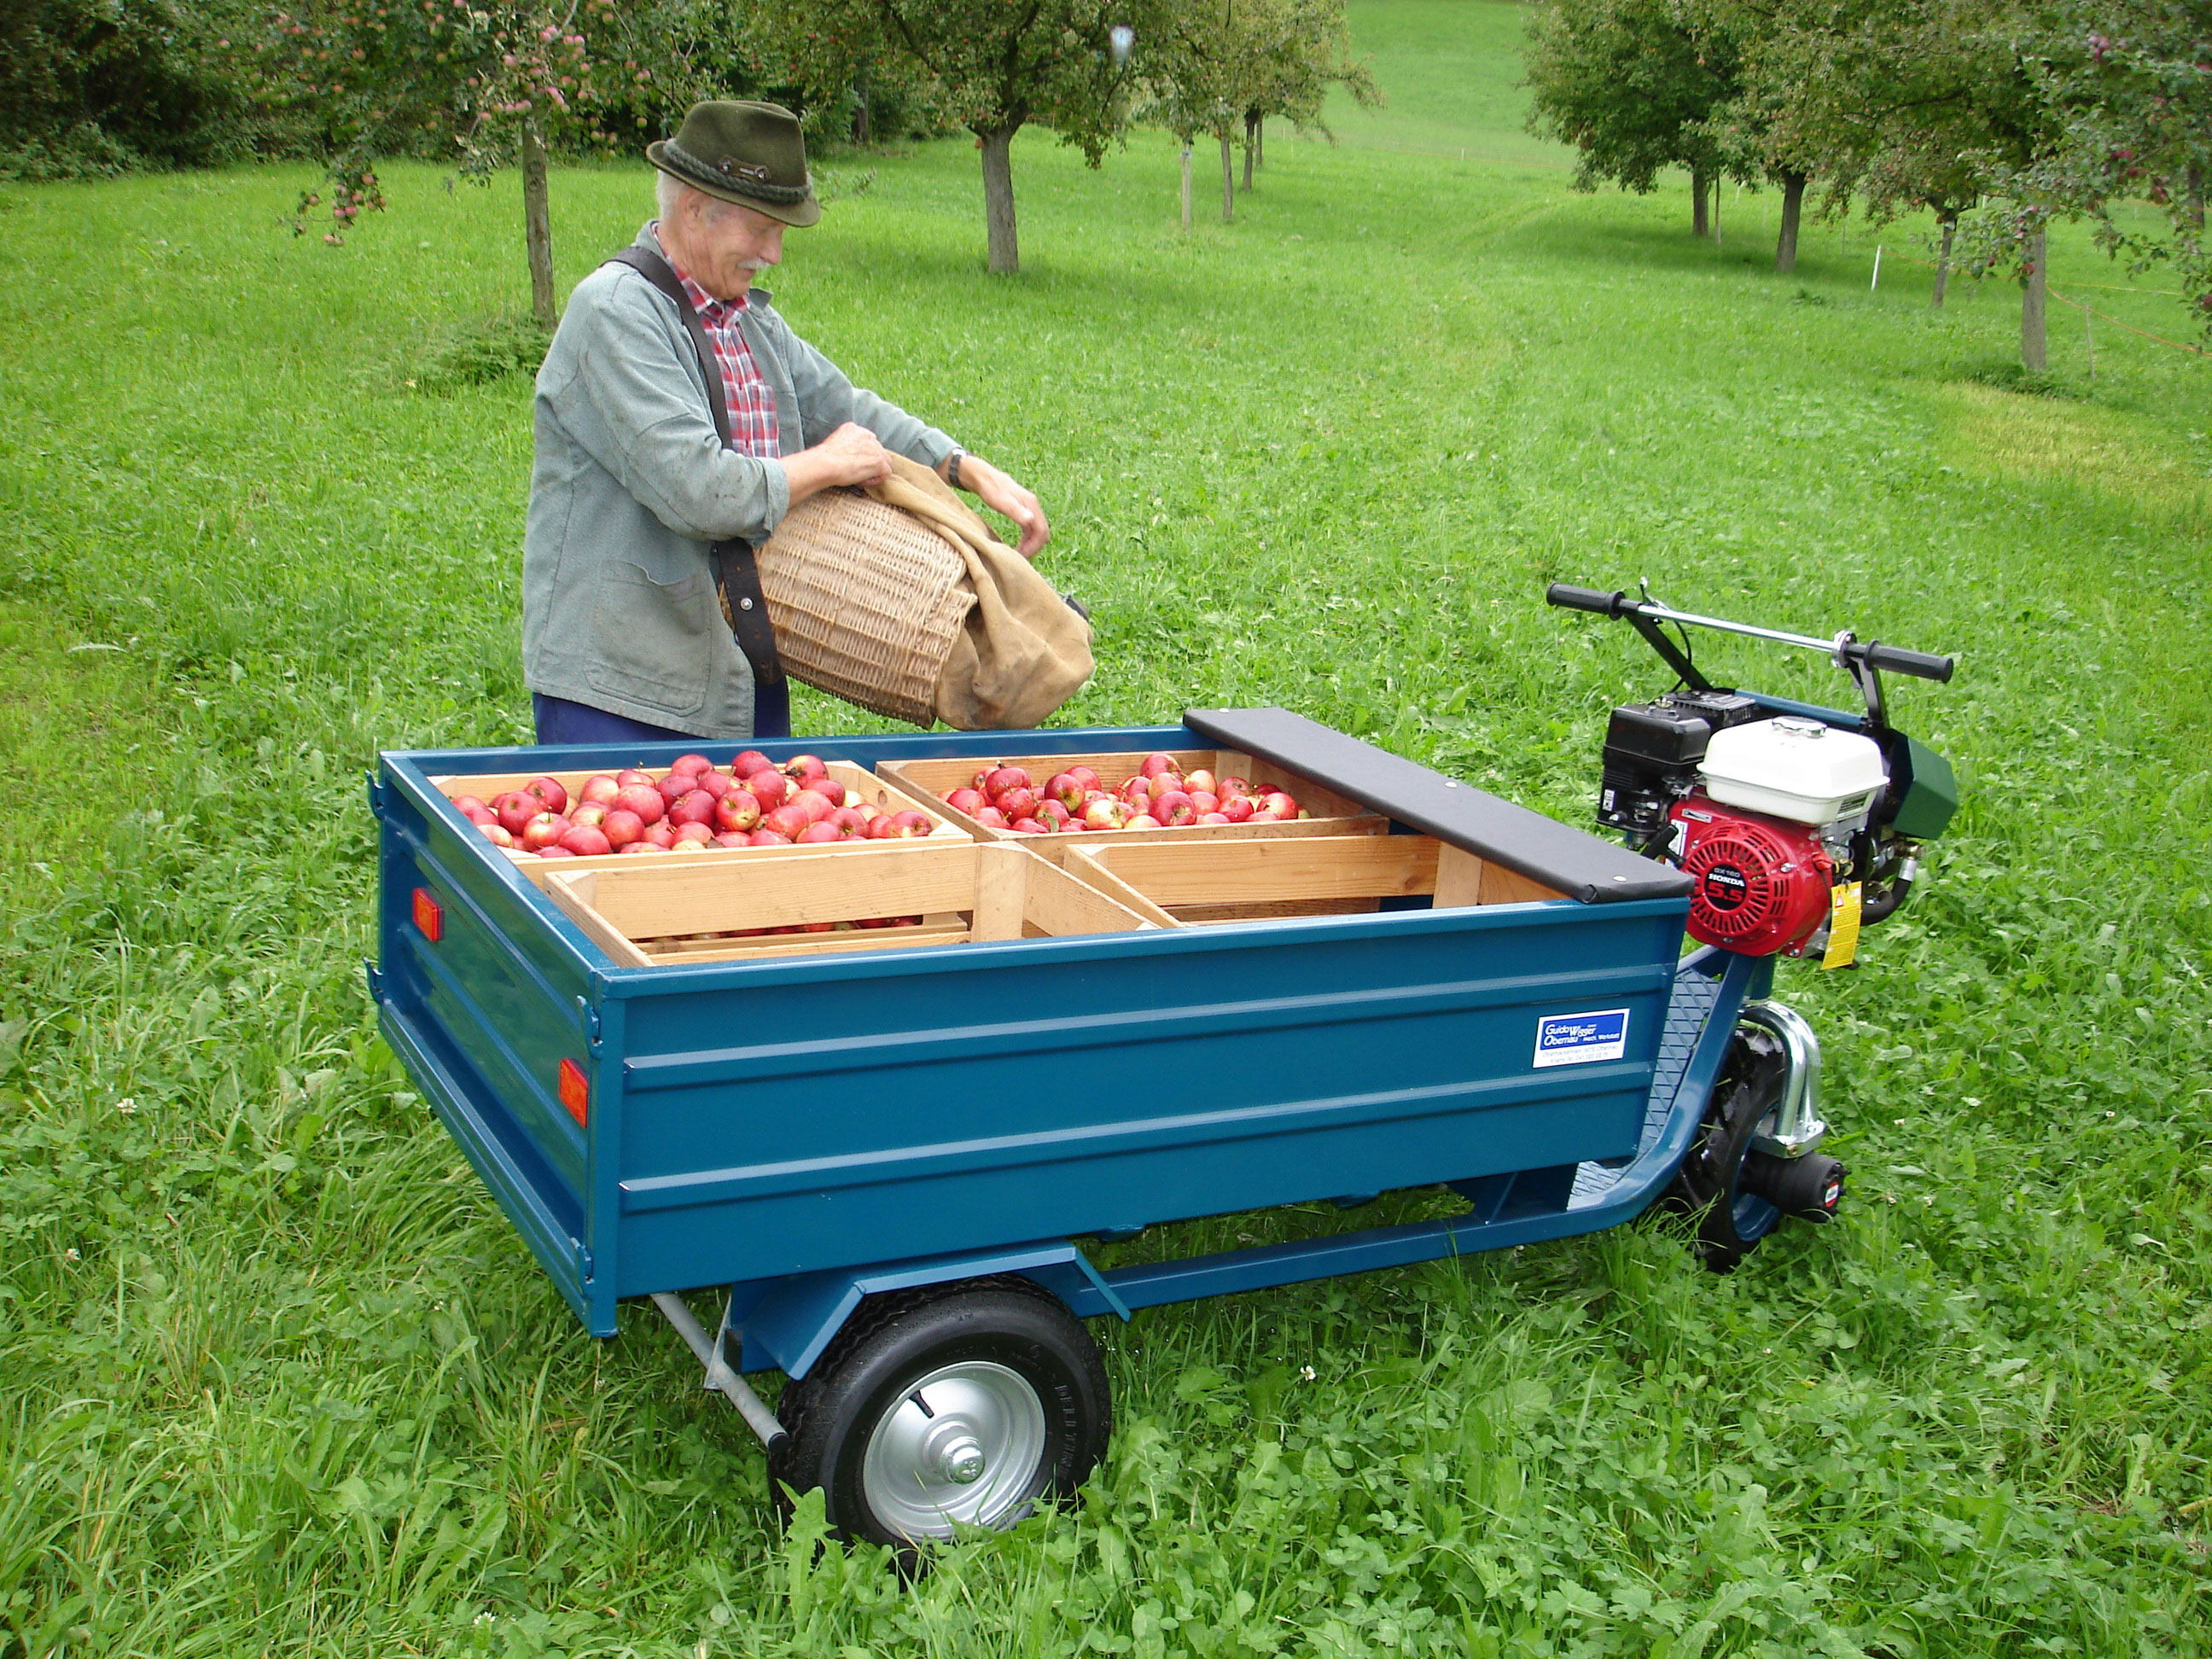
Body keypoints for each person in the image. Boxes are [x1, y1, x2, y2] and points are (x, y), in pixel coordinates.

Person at [522, 100, 1051, 744]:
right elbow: (701, 491)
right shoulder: (614, 314)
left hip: (736, 669)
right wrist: (828, 464)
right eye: (762, 229)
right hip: (621, 689)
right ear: (693, 208)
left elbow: (846, 407)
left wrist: (966, 468)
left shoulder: (744, 318)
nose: (773, 253)